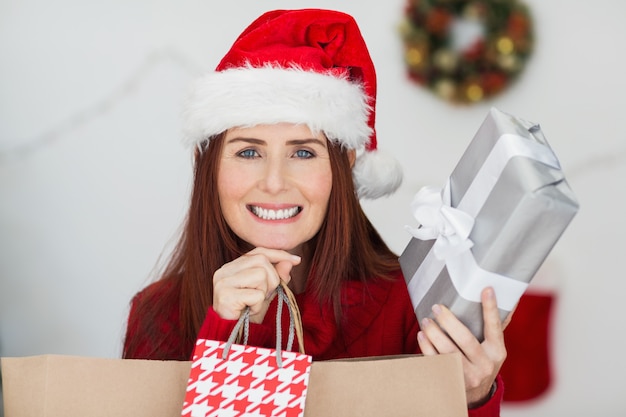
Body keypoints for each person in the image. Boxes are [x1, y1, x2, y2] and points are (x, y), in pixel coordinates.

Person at [123, 8, 508, 415]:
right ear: (211, 169)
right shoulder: (157, 315)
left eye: (303, 152)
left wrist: (471, 398)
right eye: (249, 151)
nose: (274, 182)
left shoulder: (411, 305)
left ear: (343, 168)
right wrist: (226, 336)